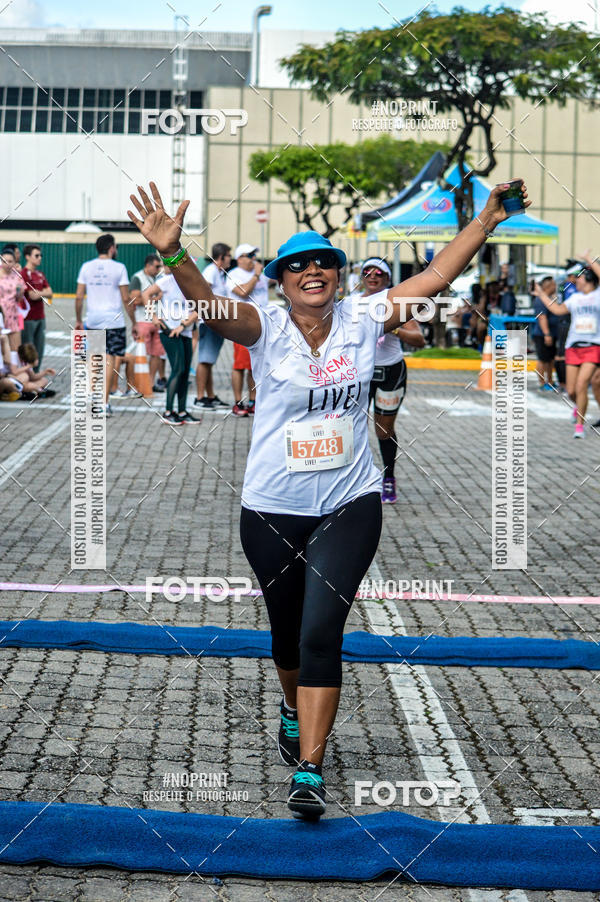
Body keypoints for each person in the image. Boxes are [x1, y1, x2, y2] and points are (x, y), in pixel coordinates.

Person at [127, 177, 529, 821]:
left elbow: (435, 276)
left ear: (338, 276)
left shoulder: (365, 320)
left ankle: (309, 769)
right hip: (271, 508)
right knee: (287, 636)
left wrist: (484, 222)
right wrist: (174, 253)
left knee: (321, 632)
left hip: (349, 503)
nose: (312, 271)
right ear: (282, 281)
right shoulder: (264, 326)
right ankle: (291, 706)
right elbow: (207, 303)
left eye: (323, 263)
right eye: (298, 266)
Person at [353, 257, 425, 502]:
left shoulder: (396, 303)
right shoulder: (353, 303)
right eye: (368, 272)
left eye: (379, 273)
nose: (372, 277)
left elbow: (419, 340)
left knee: (383, 430)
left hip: (390, 372)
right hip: (359, 372)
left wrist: (392, 327)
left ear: (387, 278)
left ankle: (388, 478)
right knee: (351, 426)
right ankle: (354, 479)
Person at [533, 259, 600, 438]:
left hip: (593, 347)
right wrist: (541, 294)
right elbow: (556, 309)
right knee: (571, 391)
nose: (576, 281)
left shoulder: (598, 296)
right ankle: (578, 406)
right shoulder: (575, 299)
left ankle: (579, 426)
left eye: (580, 278)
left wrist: (589, 260)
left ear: (589, 280)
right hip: (573, 347)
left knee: (581, 384)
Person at [75, 234, 136, 417]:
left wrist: (79, 320)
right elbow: (126, 298)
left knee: (95, 359)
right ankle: (104, 403)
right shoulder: (119, 267)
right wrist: (134, 322)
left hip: (93, 319)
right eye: (115, 247)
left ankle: (93, 396)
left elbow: (79, 297)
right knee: (109, 360)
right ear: (111, 248)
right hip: (114, 321)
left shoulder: (86, 267)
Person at [226, 244, 274, 416]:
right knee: (241, 365)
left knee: (255, 366)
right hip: (241, 325)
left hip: (263, 324)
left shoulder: (260, 274)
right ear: (240, 258)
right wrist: (256, 275)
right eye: (250, 255)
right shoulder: (233, 274)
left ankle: (253, 401)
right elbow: (243, 292)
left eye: (255, 255)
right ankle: (238, 402)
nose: (254, 258)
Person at [153, 263, 200, 425]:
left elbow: (200, 308)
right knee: (178, 369)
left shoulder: (191, 282)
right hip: (169, 331)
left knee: (185, 372)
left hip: (184, 331)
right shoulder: (167, 280)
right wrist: (154, 317)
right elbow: (146, 295)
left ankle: (182, 411)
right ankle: (168, 412)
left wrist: (184, 325)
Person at [194, 243, 231, 410]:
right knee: (204, 360)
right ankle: (200, 397)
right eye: (228, 255)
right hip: (209, 322)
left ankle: (209, 396)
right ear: (221, 257)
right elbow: (202, 292)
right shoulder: (211, 271)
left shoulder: (219, 273)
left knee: (209, 361)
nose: (230, 259)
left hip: (216, 322)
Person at [129, 254, 166, 393]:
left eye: (160, 266)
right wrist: (154, 298)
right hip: (143, 320)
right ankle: (137, 383)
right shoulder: (138, 278)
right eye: (156, 266)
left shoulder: (158, 278)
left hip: (158, 321)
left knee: (156, 354)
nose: (159, 269)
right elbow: (135, 300)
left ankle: (149, 383)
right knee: (141, 354)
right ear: (148, 265)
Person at [20, 244, 53, 373]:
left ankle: (36, 375)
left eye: (41, 255)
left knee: (39, 349)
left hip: (40, 317)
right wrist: (42, 293)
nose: (40, 258)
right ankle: (28, 376)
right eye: (37, 255)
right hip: (28, 319)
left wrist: (39, 293)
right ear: (27, 257)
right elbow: (32, 296)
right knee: (29, 351)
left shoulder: (40, 274)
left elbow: (50, 292)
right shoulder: (24, 274)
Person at [532, 276, 560, 391]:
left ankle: (550, 381)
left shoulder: (549, 299)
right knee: (543, 359)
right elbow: (542, 318)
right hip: (542, 334)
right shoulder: (540, 300)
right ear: (549, 286)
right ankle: (542, 382)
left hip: (552, 334)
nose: (556, 287)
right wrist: (547, 334)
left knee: (550, 359)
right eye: (554, 285)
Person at [0, 247, 25, 359]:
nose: (7, 264)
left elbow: (19, 299)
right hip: (1, 314)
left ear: (15, 262)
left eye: (10, 261)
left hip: (13, 315)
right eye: (5, 261)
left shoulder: (17, 276)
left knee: (16, 350)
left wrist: (20, 292)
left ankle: (15, 369)